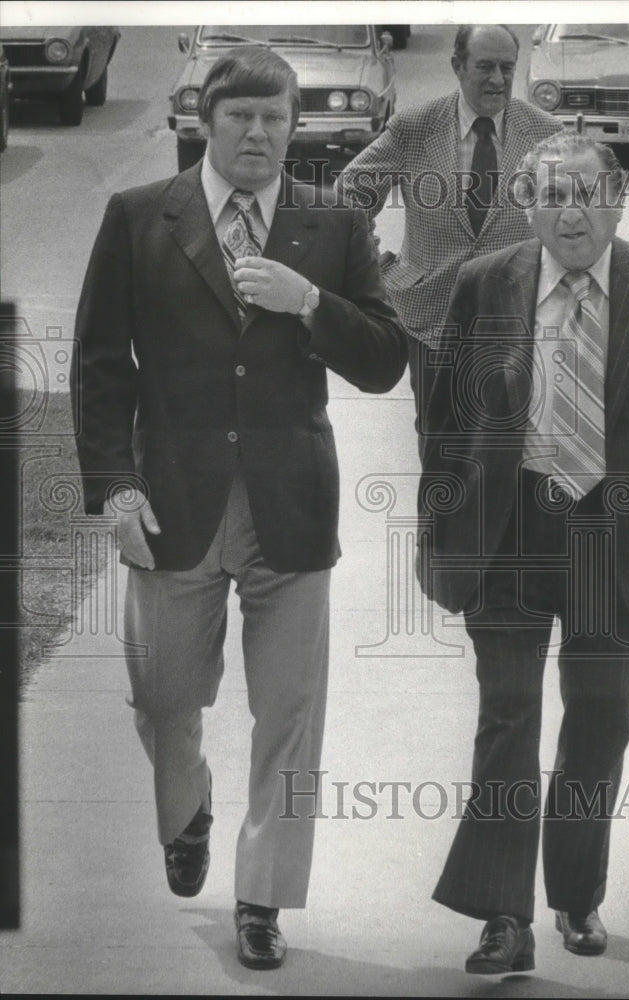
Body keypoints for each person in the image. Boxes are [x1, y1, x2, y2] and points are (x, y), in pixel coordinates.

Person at [70, 47, 407, 971]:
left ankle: (262, 898)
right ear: (205, 122)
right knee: (163, 698)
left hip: (291, 509)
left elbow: (384, 358)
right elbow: (100, 366)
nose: (258, 135)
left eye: (275, 119)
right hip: (171, 502)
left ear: (295, 126)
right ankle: (189, 810)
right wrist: (116, 485)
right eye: (240, 119)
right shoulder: (141, 217)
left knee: (291, 715)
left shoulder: (332, 223)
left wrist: (310, 303)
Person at [416, 132, 629, 974]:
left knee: (598, 720)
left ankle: (576, 894)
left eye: (586, 193)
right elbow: (442, 413)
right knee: (507, 717)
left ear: (617, 199)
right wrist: (445, 513)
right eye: (552, 194)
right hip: (512, 532)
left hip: (615, 540)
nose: (571, 211)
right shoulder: (488, 283)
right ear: (530, 205)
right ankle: (502, 916)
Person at [335, 23, 562, 421]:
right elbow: (345, 200)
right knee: (440, 452)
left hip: (519, 326)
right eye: (485, 67)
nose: (497, 80)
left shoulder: (546, 133)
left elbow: (576, 219)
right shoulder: (415, 127)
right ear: (458, 65)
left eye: (507, 68)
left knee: (513, 455)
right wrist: (377, 266)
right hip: (432, 322)